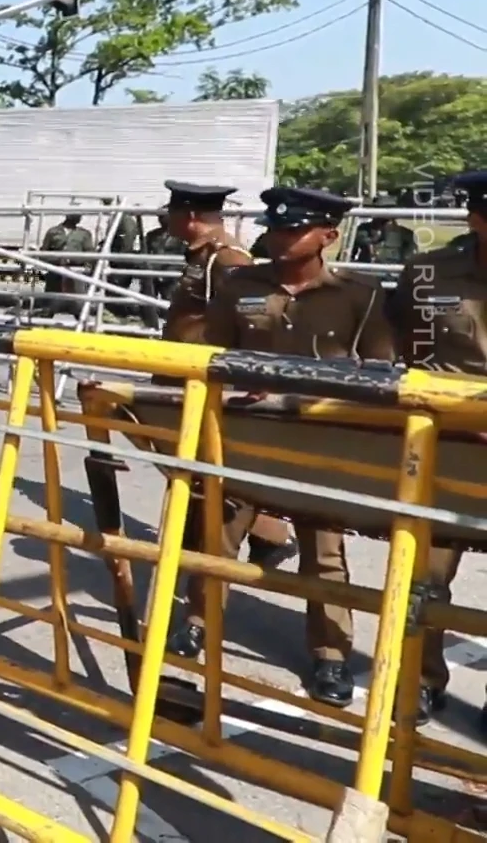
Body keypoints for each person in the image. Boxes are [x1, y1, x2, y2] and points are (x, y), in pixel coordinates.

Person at [169, 185, 392, 707]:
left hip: (320, 436)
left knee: (324, 547)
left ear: (328, 236)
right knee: (218, 532)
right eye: (276, 228)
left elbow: (381, 369)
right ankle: (198, 622)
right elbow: (216, 353)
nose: (281, 237)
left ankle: (331, 654)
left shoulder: (360, 295)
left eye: (296, 229)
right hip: (245, 431)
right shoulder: (239, 283)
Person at [388, 168, 487, 729]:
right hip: (443, 445)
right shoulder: (428, 271)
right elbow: (407, 345)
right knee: (423, 574)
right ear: (476, 219)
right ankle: (419, 680)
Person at [156, 181, 298, 569]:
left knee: (209, 464)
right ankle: (254, 536)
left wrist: (251, 378)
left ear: (188, 216)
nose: (164, 217)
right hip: (187, 377)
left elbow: (254, 320)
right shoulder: (203, 256)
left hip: (209, 381)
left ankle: (270, 534)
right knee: (188, 461)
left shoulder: (227, 259)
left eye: (170, 211)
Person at [39, 214, 95, 317]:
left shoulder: (84, 234)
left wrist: (76, 260)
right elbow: (43, 253)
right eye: (77, 215)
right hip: (56, 272)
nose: (80, 218)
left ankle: (82, 325)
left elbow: (90, 254)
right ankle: (44, 324)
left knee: (79, 305)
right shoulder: (53, 232)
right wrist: (57, 260)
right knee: (49, 305)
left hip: (76, 273)